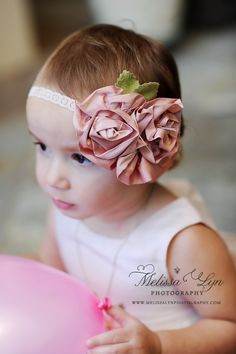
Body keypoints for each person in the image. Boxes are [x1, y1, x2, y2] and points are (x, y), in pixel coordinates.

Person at [26, 24, 236, 353]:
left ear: (146, 158)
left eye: (80, 158)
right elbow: (51, 272)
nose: (53, 178)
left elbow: (228, 326)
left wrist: (158, 344)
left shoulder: (181, 243)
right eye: (41, 146)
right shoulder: (66, 207)